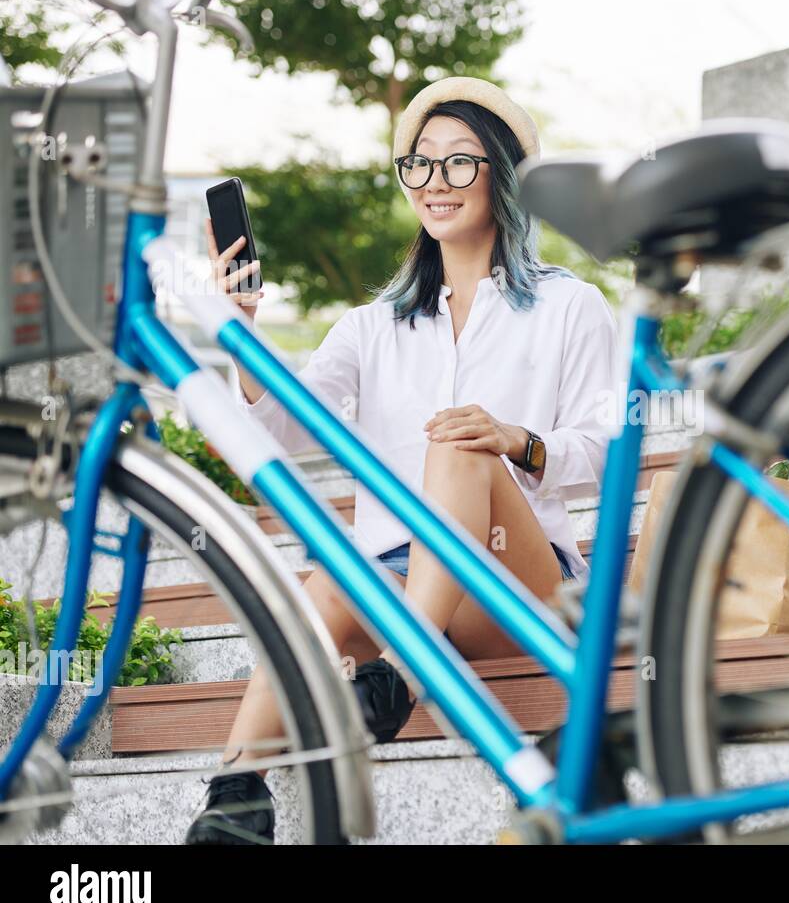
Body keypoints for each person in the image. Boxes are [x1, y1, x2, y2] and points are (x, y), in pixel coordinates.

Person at [185, 77, 620, 844]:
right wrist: (244, 326)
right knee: (324, 584)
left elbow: (603, 452)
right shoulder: (370, 326)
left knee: (458, 445)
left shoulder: (568, 305)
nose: (433, 184)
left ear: (505, 175)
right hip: (396, 579)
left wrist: (513, 439)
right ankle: (234, 797)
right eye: (417, 165)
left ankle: (402, 675)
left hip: (517, 584)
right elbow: (284, 427)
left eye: (459, 164)